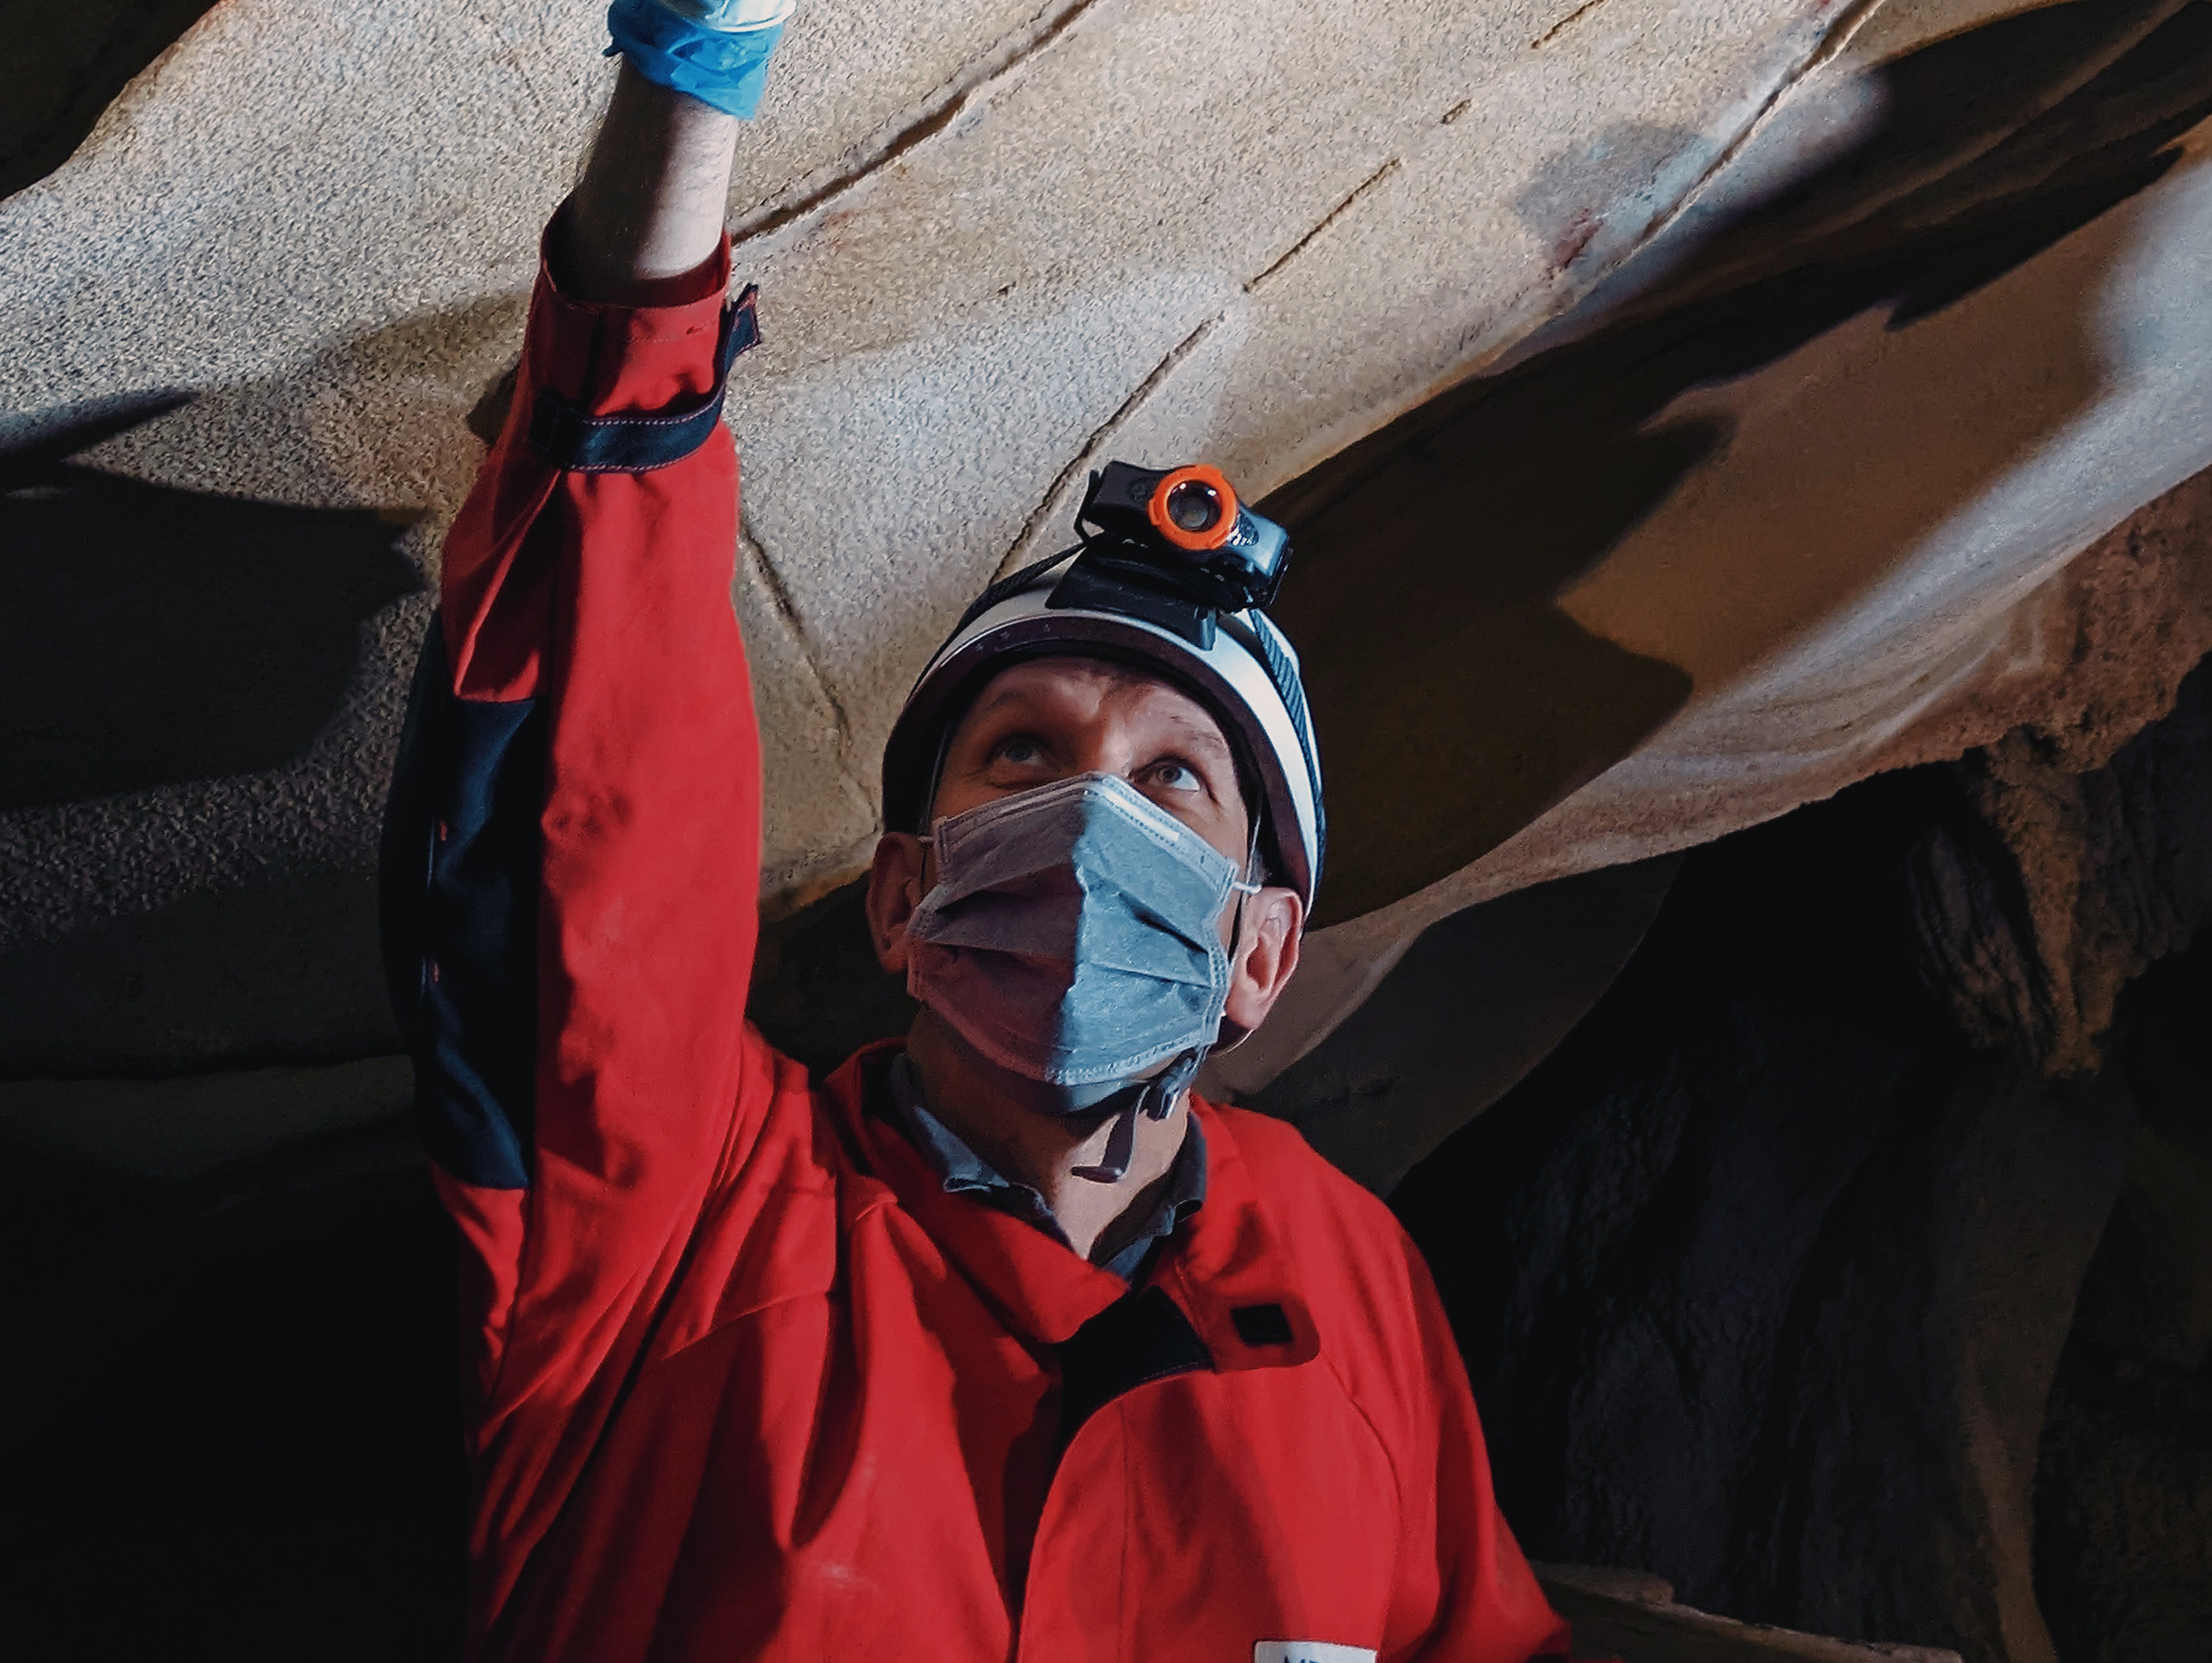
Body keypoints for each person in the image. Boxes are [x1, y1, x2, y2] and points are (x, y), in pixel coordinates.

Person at [380, 3, 1577, 1658]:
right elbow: (592, 805)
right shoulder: (684, 1230)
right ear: (899, 898)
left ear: (1262, 945)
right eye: (1020, 753)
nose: (1088, 813)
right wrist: (693, 82)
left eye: (1173, 780)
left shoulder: (1344, 1278)